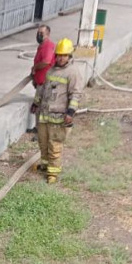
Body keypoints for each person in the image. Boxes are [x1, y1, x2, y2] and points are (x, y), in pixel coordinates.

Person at [31, 38, 85, 184]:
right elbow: (42, 87)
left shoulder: (72, 73)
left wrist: (70, 112)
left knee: (54, 144)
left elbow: (75, 94)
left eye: (64, 55)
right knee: (43, 142)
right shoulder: (51, 70)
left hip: (58, 116)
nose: (61, 58)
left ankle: (53, 172)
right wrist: (36, 103)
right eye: (59, 55)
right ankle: (45, 165)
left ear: (69, 56)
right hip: (44, 115)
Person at [28, 24, 55, 133]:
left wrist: (35, 67)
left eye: (41, 33)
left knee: (43, 106)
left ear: (47, 34)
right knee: (38, 105)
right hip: (41, 81)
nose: (39, 35)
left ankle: (41, 131)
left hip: (45, 82)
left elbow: (46, 62)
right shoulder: (42, 46)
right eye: (38, 33)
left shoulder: (48, 45)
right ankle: (38, 128)